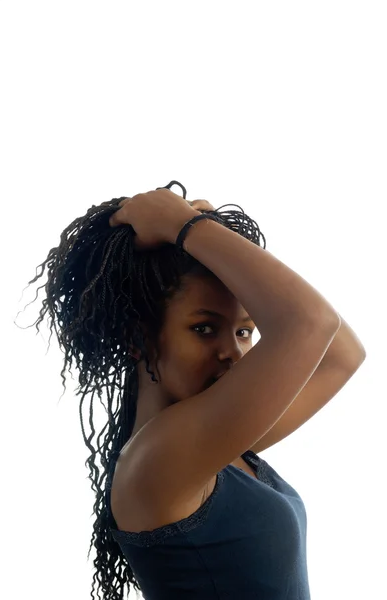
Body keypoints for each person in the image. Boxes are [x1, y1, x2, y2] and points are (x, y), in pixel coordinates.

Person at [21, 181, 341, 599]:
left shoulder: (216, 446)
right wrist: (187, 226)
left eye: (245, 331)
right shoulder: (160, 459)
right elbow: (312, 324)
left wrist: (206, 233)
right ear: (139, 337)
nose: (234, 353)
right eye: (204, 329)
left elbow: (337, 356)